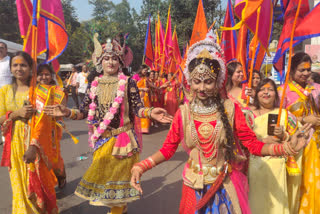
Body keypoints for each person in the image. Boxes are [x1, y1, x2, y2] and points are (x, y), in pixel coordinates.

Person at [130, 31, 311, 214]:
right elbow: (167, 149)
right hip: (194, 187)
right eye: (196, 82)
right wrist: (141, 166)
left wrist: (286, 148)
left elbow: (252, 145)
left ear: (218, 82)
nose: (201, 88)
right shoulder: (183, 113)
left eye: (208, 82)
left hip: (224, 186)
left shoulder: (231, 110)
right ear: (189, 82)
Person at [44, 35, 172, 214]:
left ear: (120, 62)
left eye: (114, 58)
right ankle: (121, 208)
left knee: (118, 188)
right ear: (99, 62)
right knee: (108, 186)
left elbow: (137, 108)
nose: (110, 62)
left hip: (123, 141)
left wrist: (151, 112)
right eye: (106, 58)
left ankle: (119, 210)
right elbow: (83, 111)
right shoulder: (93, 85)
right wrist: (67, 112)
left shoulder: (128, 82)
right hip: (101, 141)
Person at [0, 51, 59, 213]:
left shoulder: (40, 91)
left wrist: (33, 146)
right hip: (14, 145)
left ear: (31, 68)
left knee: (37, 184)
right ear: (10, 68)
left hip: (37, 144)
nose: (19, 68)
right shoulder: (4, 91)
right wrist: (15, 114)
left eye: (23, 65)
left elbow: (46, 122)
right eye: (15, 65)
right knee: (19, 183)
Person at [249, 78, 300, 214]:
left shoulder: (285, 114)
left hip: (277, 168)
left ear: (276, 95)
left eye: (270, 90)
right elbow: (241, 140)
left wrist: (284, 135)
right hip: (254, 168)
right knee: (255, 204)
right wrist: (262, 140)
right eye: (262, 89)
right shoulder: (247, 114)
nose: (266, 93)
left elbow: (299, 138)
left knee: (277, 206)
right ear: (256, 93)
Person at [278, 52, 320, 214]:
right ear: (292, 70)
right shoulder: (282, 92)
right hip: (297, 145)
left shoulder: (316, 89)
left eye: (308, 70)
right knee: (297, 183)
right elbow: (280, 116)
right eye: (301, 70)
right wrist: (303, 119)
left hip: (316, 143)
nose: (305, 73)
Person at [37, 64, 67, 189]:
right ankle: (44, 184)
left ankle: (61, 175)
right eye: (40, 74)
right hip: (36, 129)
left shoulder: (58, 91)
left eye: (47, 74)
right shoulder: (32, 90)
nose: (44, 77)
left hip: (52, 129)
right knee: (39, 157)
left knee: (54, 156)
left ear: (51, 76)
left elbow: (63, 110)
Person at [0, 42, 12, 145]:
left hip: (8, 95)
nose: (0, 49)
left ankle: (6, 137)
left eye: (2, 48)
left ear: (6, 50)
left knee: (6, 117)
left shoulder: (10, 61)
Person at [136, 65, 151, 133]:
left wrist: (159, 88)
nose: (146, 71)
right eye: (145, 70)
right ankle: (138, 127)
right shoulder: (136, 77)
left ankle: (145, 128)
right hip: (138, 96)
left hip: (145, 97)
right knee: (140, 111)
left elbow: (150, 84)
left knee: (146, 110)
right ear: (141, 69)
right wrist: (142, 89)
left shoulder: (145, 78)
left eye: (146, 70)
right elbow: (132, 87)